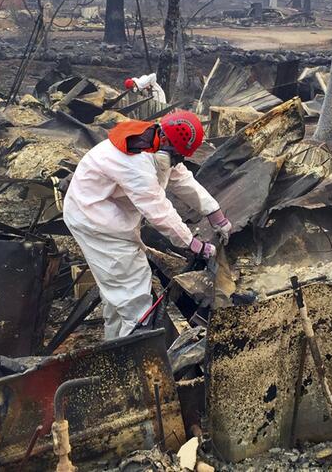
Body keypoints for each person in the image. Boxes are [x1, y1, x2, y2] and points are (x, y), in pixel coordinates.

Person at [63, 111, 231, 339]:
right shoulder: (135, 160)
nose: (176, 162)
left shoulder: (154, 141)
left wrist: (214, 212)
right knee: (134, 296)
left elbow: (181, 179)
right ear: (166, 141)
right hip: (96, 222)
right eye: (176, 156)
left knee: (116, 293)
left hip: (103, 214)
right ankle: (136, 356)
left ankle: (113, 347)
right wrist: (192, 244)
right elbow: (158, 210)